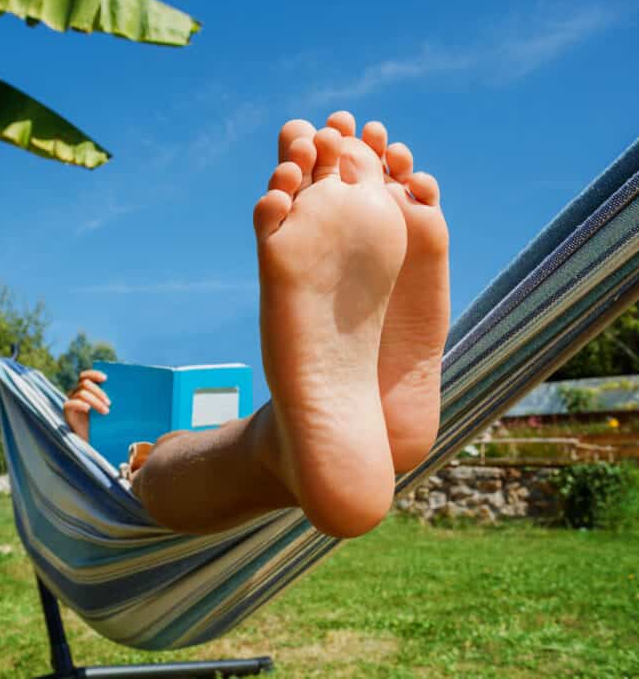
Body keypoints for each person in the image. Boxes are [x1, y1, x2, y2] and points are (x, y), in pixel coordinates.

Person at [63, 111, 450, 540]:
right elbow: (74, 485)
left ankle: (280, 445)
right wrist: (81, 434)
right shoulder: (79, 445)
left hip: (182, 492)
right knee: (157, 459)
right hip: (125, 485)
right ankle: (286, 439)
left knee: (171, 456)